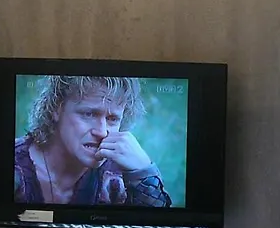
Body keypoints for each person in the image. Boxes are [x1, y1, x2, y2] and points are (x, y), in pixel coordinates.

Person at [14, 75, 172, 207]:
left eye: (112, 119)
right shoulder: (12, 162)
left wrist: (144, 173)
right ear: (57, 109)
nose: (102, 132)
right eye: (89, 114)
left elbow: (157, 227)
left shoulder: (120, 176)